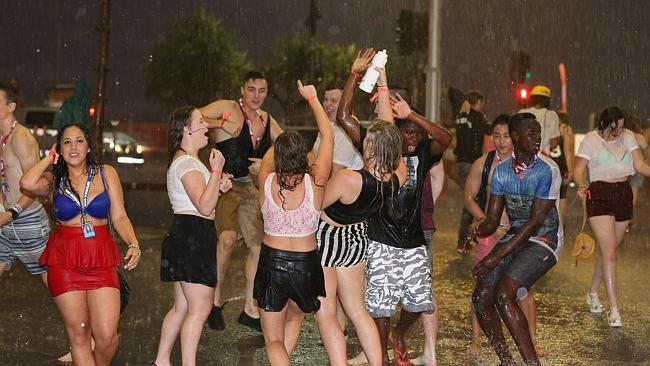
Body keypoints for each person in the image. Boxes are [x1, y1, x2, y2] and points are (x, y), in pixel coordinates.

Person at [337, 51, 452, 365]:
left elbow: (446, 137)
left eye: (415, 133)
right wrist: (354, 75)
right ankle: (381, 357)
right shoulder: (379, 147)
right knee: (380, 309)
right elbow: (344, 117)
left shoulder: (425, 148)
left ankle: (397, 337)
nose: (412, 139)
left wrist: (412, 114)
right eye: (406, 133)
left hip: (415, 240)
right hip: (380, 240)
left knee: (419, 303)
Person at [20, 123, 141, 366]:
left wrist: (133, 243)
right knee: (79, 334)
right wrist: (48, 160)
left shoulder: (106, 173)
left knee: (107, 337)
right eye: (66, 142)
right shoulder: (54, 179)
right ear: (60, 149)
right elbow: (26, 184)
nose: (73, 147)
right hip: (63, 260)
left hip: (100, 257)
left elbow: (119, 216)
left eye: (79, 141)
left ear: (88, 147)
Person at [317, 49, 405, 366]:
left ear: (369, 146)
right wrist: (381, 80)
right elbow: (386, 126)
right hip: (356, 239)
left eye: (366, 139)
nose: (363, 139)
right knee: (356, 310)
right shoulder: (397, 174)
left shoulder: (349, 180)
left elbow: (315, 205)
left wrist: (354, 75)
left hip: (328, 238)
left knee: (326, 310)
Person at [471, 113, 562, 366]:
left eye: (538, 132)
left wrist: (495, 256)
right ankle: (506, 360)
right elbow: (492, 219)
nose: (538, 136)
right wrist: (479, 228)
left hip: (544, 238)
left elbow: (535, 223)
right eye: (531, 133)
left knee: (504, 292)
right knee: (481, 296)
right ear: (516, 137)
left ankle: (532, 363)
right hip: (516, 236)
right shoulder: (501, 172)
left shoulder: (548, 170)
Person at [253, 80, 332, 365]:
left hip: (272, 261)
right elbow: (328, 135)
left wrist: (279, 146)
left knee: (272, 339)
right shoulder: (316, 183)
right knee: (295, 317)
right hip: (305, 262)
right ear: (302, 156)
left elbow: (268, 158)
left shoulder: (266, 181)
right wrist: (312, 99)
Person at [199, 71, 283, 331]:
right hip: (225, 186)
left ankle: (250, 307)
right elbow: (192, 117)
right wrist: (221, 123)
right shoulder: (228, 108)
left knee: (258, 248)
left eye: (262, 90)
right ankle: (214, 300)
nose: (256, 95)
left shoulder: (267, 120)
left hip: (250, 190)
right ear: (242, 90)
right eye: (251, 89)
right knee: (226, 239)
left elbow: (289, 147)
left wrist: (268, 164)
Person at [152, 107, 232, 366]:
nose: (207, 127)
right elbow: (205, 207)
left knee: (183, 308)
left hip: (185, 234)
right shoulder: (187, 163)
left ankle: (162, 360)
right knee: (199, 309)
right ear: (187, 130)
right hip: (193, 236)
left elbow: (201, 200)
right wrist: (217, 171)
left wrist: (217, 186)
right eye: (201, 122)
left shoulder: (185, 160)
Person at [574, 106, 650, 328]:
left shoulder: (627, 137)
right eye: (616, 127)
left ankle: (592, 293)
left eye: (623, 127)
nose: (620, 132)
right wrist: (581, 184)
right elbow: (579, 168)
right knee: (610, 252)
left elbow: (639, 165)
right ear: (605, 125)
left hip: (623, 193)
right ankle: (614, 309)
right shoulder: (590, 139)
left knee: (610, 250)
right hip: (599, 194)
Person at [0, 83, 50, 284]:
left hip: (28, 221)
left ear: (11, 106)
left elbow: (35, 185)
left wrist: (12, 213)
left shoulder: (21, 138)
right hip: (4, 221)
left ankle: (85, 313)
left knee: (58, 286)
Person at [454, 91, 489, 253]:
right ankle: (466, 239)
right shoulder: (477, 116)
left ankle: (468, 239)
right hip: (471, 163)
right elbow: (485, 131)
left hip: (460, 163)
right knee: (472, 201)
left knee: (471, 200)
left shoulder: (461, 115)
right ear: (479, 101)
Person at [518, 85, 560, 155]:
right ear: (547, 101)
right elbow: (553, 144)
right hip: (542, 159)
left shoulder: (521, 113)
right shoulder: (551, 115)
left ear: (532, 99)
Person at [550, 112, 575, 224]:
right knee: (562, 196)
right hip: (561, 169)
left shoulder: (550, 133)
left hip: (549, 167)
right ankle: (561, 225)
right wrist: (571, 171)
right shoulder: (565, 134)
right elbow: (568, 153)